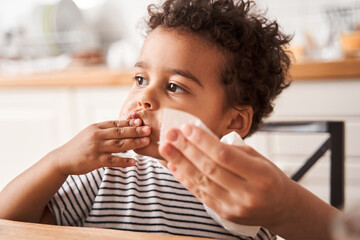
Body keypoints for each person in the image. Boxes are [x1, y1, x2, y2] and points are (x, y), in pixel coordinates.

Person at [0, 0, 339, 239]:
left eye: (175, 86)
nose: (143, 97)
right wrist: (58, 164)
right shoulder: (106, 174)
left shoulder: (244, 196)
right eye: (140, 79)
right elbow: (9, 222)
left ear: (234, 123)